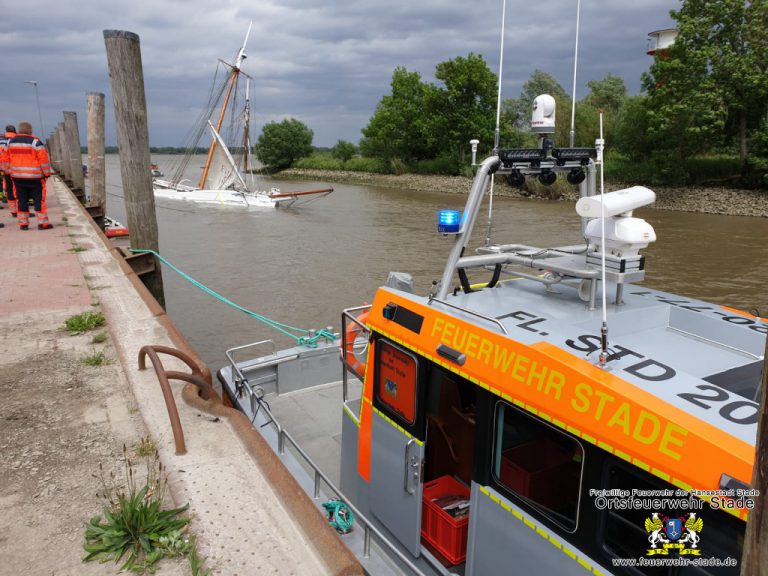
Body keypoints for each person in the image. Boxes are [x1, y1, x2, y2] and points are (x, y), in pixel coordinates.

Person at [7, 121, 52, 230]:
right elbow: (44, 161)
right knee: (39, 200)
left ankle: (23, 224)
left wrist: (9, 172)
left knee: (21, 199)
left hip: (17, 177)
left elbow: (6, 158)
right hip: (35, 177)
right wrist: (46, 174)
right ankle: (42, 223)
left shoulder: (11, 142)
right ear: (30, 131)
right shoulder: (36, 143)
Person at [0, 124, 15, 213]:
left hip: (2, 164)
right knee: (12, 185)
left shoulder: (2, 139)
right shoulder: (15, 139)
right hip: (9, 166)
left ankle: (3, 198)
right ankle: (14, 207)